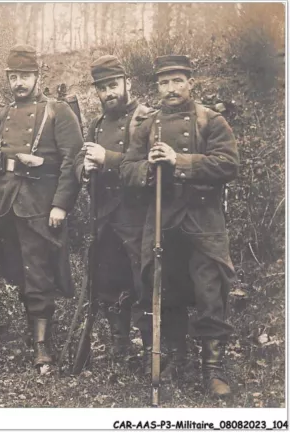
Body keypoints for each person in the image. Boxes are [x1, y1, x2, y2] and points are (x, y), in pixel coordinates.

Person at [120, 55, 239, 397]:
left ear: (190, 82)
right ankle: (172, 357)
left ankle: (213, 370)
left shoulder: (211, 121)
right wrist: (148, 167)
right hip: (162, 221)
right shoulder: (147, 126)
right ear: (156, 87)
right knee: (159, 285)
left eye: (177, 81)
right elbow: (127, 168)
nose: (171, 89)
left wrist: (179, 161)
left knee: (209, 291)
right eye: (164, 83)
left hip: (204, 222)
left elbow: (229, 164)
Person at [0, 45, 82, 368]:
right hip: (7, 205)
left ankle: (42, 345)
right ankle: (32, 329)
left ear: (37, 77)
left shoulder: (57, 111)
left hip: (41, 204)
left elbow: (73, 160)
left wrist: (60, 204)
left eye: (26, 76)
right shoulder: (2, 114)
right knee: (18, 268)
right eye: (14, 77)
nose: (20, 83)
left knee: (38, 270)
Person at [74, 55, 153, 360]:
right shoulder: (95, 124)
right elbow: (81, 165)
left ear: (127, 83)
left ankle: (150, 348)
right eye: (102, 88)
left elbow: (148, 168)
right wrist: (85, 169)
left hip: (137, 216)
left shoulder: (146, 119)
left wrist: (107, 158)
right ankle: (119, 344)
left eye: (113, 85)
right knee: (108, 280)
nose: (108, 93)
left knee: (143, 280)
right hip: (104, 216)